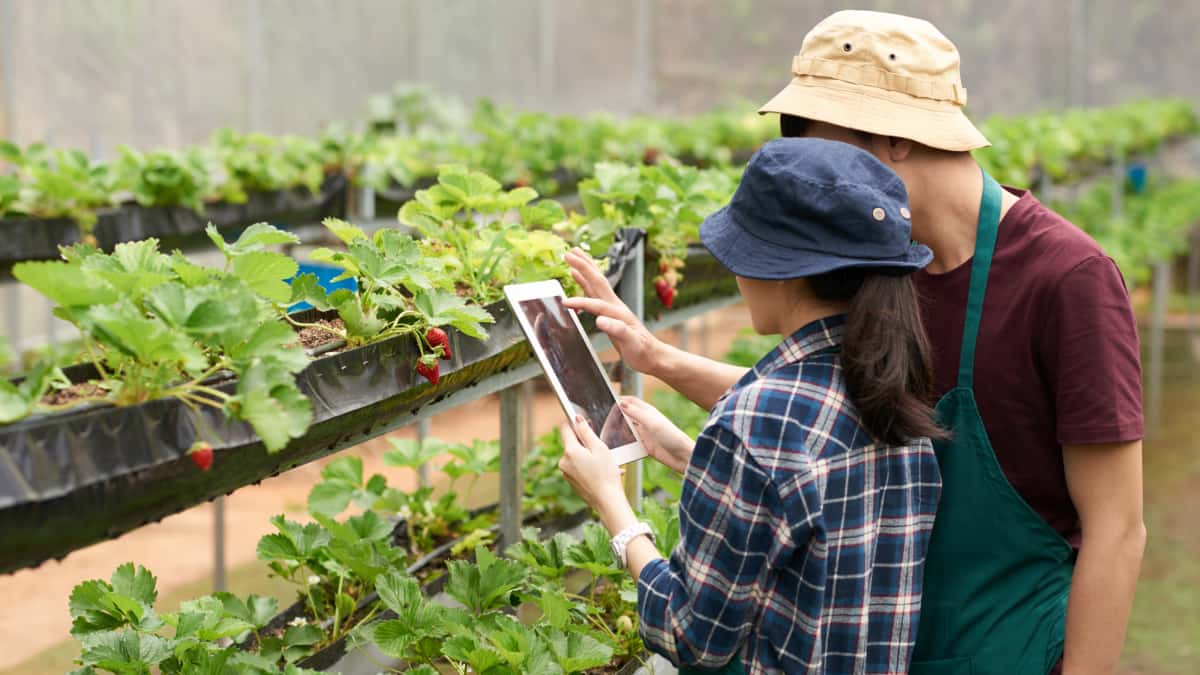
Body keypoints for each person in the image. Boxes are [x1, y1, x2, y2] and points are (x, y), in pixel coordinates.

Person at [569, 10, 1146, 675]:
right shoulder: (882, 268)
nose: (811, 165)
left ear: (893, 137)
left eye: (819, 139)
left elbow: (1118, 529)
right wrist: (657, 358)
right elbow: (826, 410)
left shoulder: (1066, 278)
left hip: (1009, 650)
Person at [559, 137, 943, 674]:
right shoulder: (893, 386)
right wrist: (694, 456)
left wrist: (610, 504)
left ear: (779, 269)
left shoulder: (756, 423)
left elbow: (692, 635)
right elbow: (811, 517)